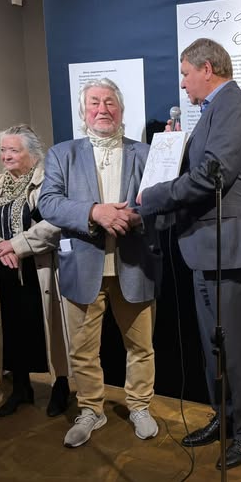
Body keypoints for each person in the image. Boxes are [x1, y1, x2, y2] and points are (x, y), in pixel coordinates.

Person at [138, 38, 241, 470]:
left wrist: (153, 196)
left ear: (207, 69)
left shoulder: (234, 104)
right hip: (207, 250)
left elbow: (213, 175)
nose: (182, 83)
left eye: (185, 73)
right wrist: (172, 151)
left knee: (237, 349)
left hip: (232, 250)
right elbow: (203, 168)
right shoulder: (214, 110)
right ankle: (225, 417)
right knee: (215, 347)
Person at [38, 78, 161, 448]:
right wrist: (94, 211)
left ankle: (139, 405)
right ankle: (91, 408)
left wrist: (137, 216)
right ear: (83, 111)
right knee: (82, 350)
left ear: (121, 110)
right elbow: (48, 202)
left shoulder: (145, 153)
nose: (102, 109)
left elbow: (163, 202)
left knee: (141, 347)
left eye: (110, 102)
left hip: (134, 266)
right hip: (82, 267)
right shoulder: (62, 154)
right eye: (94, 102)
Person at [0, 124, 71, 417]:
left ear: (33, 153)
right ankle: (21, 388)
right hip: (2, 271)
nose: (6, 156)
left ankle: (60, 387)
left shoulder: (50, 180)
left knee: (49, 329)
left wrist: (16, 246)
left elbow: (55, 223)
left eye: (14, 150)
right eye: (3, 150)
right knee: (11, 329)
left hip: (41, 270)